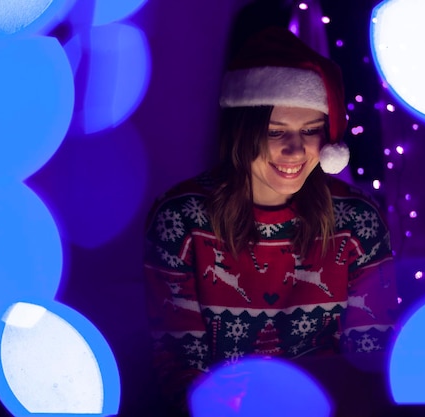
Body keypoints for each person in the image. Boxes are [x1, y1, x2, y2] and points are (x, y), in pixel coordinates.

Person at [143, 26, 398, 415]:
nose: (294, 149)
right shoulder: (181, 222)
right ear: (242, 133)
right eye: (274, 131)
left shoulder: (357, 223)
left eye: (310, 130)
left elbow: (370, 361)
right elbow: (179, 370)